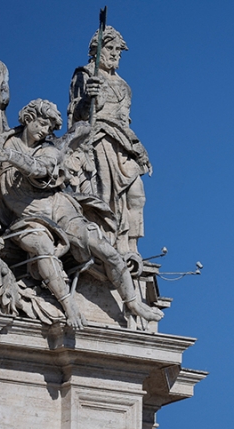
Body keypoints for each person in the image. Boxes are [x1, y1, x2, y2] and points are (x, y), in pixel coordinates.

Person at [0, 98, 163, 330]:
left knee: (105, 249)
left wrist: (10, 158)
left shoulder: (48, 150)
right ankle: (69, 305)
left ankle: (132, 302)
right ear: (29, 118)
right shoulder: (2, 142)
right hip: (26, 217)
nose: (44, 131)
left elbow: (40, 169)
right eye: (41, 124)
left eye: (49, 128)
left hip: (60, 208)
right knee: (42, 247)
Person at [68, 26, 151, 262]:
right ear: (96, 51)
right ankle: (110, 241)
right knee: (106, 194)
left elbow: (125, 122)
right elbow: (76, 115)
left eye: (118, 50)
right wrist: (88, 99)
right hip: (100, 139)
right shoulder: (84, 74)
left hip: (123, 143)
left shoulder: (125, 86)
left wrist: (139, 149)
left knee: (137, 195)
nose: (115, 54)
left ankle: (132, 246)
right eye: (110, 48)